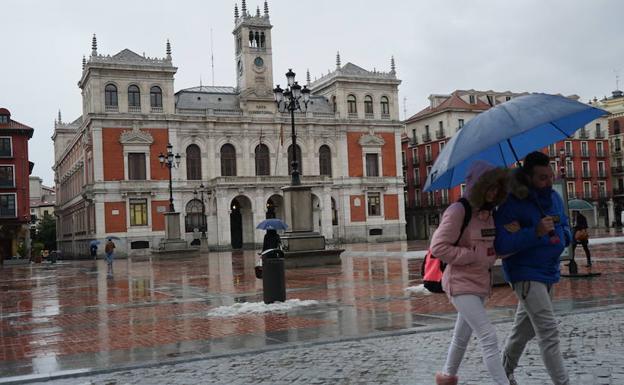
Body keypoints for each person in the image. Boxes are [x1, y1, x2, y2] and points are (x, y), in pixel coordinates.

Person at [494, 151, 571, 385]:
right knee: (548, 331)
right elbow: (502, 245)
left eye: (550, 176)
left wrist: (564, 236)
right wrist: (534, 232)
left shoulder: (554, 198)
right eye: (542, 178)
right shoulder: (510, 204)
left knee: (523, 330)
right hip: (525, 273)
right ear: (528, 177)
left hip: (549, 271)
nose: (548, 182)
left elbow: (564, 224)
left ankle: (503, 371)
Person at [431, 161, 510, 385]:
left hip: (481, 283)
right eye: (489, 187)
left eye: (497, 188)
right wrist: (472, 255)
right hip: (460, 283)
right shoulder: (459, 211)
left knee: (461, 336)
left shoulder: (490, 214)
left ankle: (447, 377)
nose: (493, 192)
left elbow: (491, 247)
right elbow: (438, 247)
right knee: (488, 336)